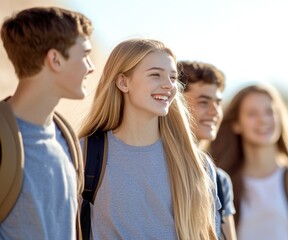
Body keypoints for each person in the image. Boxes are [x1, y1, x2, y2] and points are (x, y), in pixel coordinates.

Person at [78, 38, 218, 240]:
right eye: (155, 75)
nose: (168, 85)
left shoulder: (196, 165)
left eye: (172, 77)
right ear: (123, 82)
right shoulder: (84, 154)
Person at [0, 7, 94, 239]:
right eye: (84, 55)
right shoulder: (3, 140)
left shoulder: (67, 137)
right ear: (55, 59)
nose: (91, 67)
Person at [209, 84, 288, 240]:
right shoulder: (221, 183)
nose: (263, 120)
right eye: (252, 114)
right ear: (237, 124)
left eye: (269, 112)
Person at [178, 61, 237, 240]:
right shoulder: (155, 166)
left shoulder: (220, 181)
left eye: (218, 103)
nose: (215, 112)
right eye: (204, 102)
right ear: (176, 103)